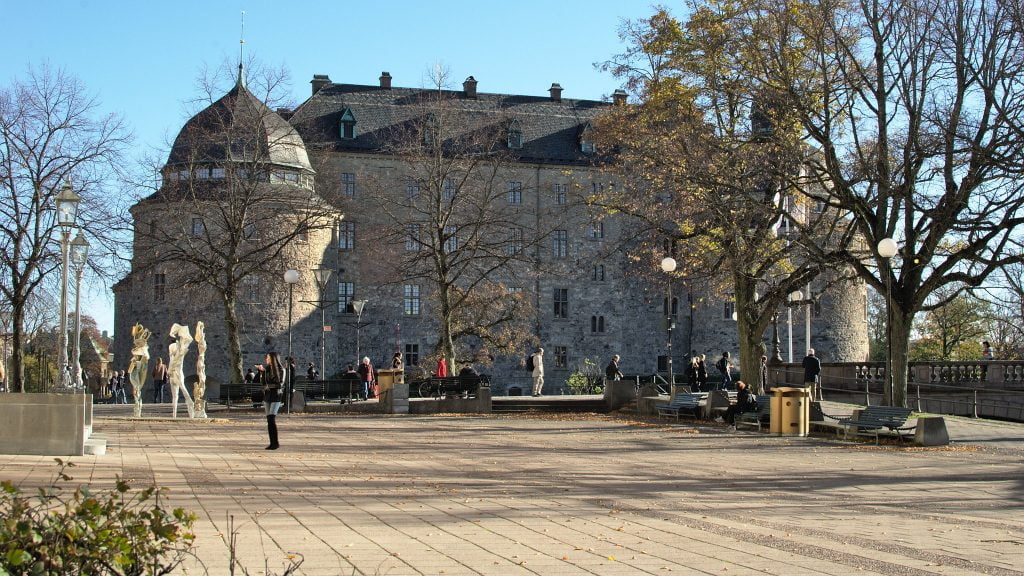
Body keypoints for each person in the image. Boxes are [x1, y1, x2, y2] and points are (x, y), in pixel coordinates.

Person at [262, 353, 284, 450]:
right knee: (268, 420)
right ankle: (272, 442)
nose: (266, 359)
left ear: (273, 359)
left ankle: (275, 443)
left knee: (272, 418)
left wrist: (269, 386)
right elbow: (263, 383)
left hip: (276, 395)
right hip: (268, 395)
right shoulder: (267, 369)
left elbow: (280, 384)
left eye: (268, 357)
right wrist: (261, 372)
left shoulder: (281, 370)